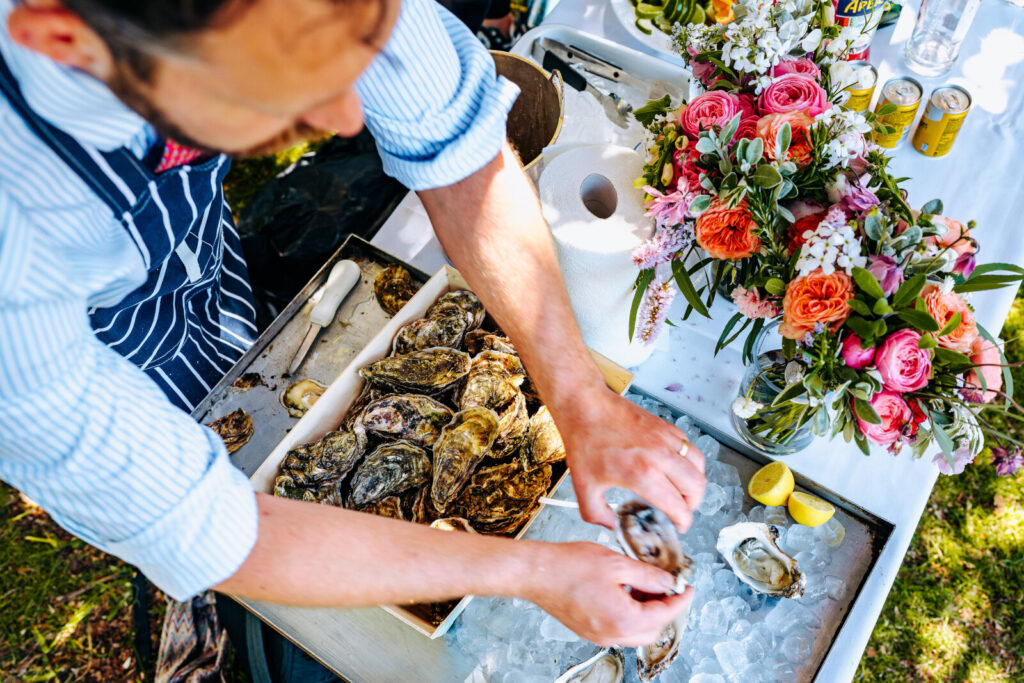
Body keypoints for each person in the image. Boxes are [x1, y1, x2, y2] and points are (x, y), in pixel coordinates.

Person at [0, 0, 707, 668]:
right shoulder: (14, 261)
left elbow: (453, 142)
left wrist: (581, 397)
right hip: (104, 355)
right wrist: (530, 571)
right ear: (67, 40)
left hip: (188, 261)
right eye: (270, 83)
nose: (345, 117)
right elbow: (203, 524)